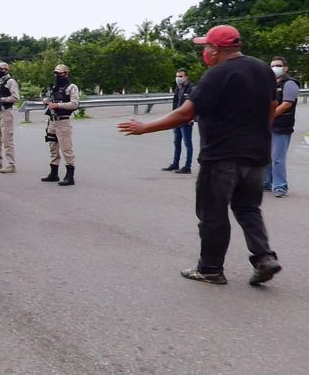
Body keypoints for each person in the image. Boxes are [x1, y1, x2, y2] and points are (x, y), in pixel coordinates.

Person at [117, 24, 281, 286]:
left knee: (213, 213)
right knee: (248, 208)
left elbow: (185, 113)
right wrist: (261, 136)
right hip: (256, 155)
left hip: (221, 157)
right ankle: (264, 257)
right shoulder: (263, 69)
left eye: (206, 46)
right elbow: (272, 108)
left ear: (216, 49)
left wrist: (145, 127)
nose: (205, 51)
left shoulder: (217, 75)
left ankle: (210, 269)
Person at [263, 56, 299, 198]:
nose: (275, 68)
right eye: (272, 65)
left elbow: (287, 104)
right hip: (269, 126)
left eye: (278, 65)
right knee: (266, 156)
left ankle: (280, 186)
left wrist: (269, 116)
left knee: (278, 157)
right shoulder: (269, 83)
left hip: (282, 126)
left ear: (285, 68)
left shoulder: (290, 83)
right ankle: (266, 183)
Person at [41, 64, 79, 186]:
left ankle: (70, 176)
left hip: (63, 120)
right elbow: (51, 101)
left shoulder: (71, 87)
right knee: (53, 147)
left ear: (66, 74)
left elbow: (74, 104)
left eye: (60, 73)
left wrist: (58, 105)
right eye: (56, 73)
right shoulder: (54, 87)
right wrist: (47, 102)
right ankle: (54, 173)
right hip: (52, 120)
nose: (58, 75)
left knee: (66, 148)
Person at [161, 68, 195, 174]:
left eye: (180, 76)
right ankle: (175, 163)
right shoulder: (178, 88)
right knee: (177, 142)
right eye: (177, 76)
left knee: (187, 143)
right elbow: (175, 104)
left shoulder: (191, 89)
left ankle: (187, 166)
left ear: (186, 77)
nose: (178, 78)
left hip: (186, 120)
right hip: (177, 120)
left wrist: (192, 118)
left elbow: (195, 105)